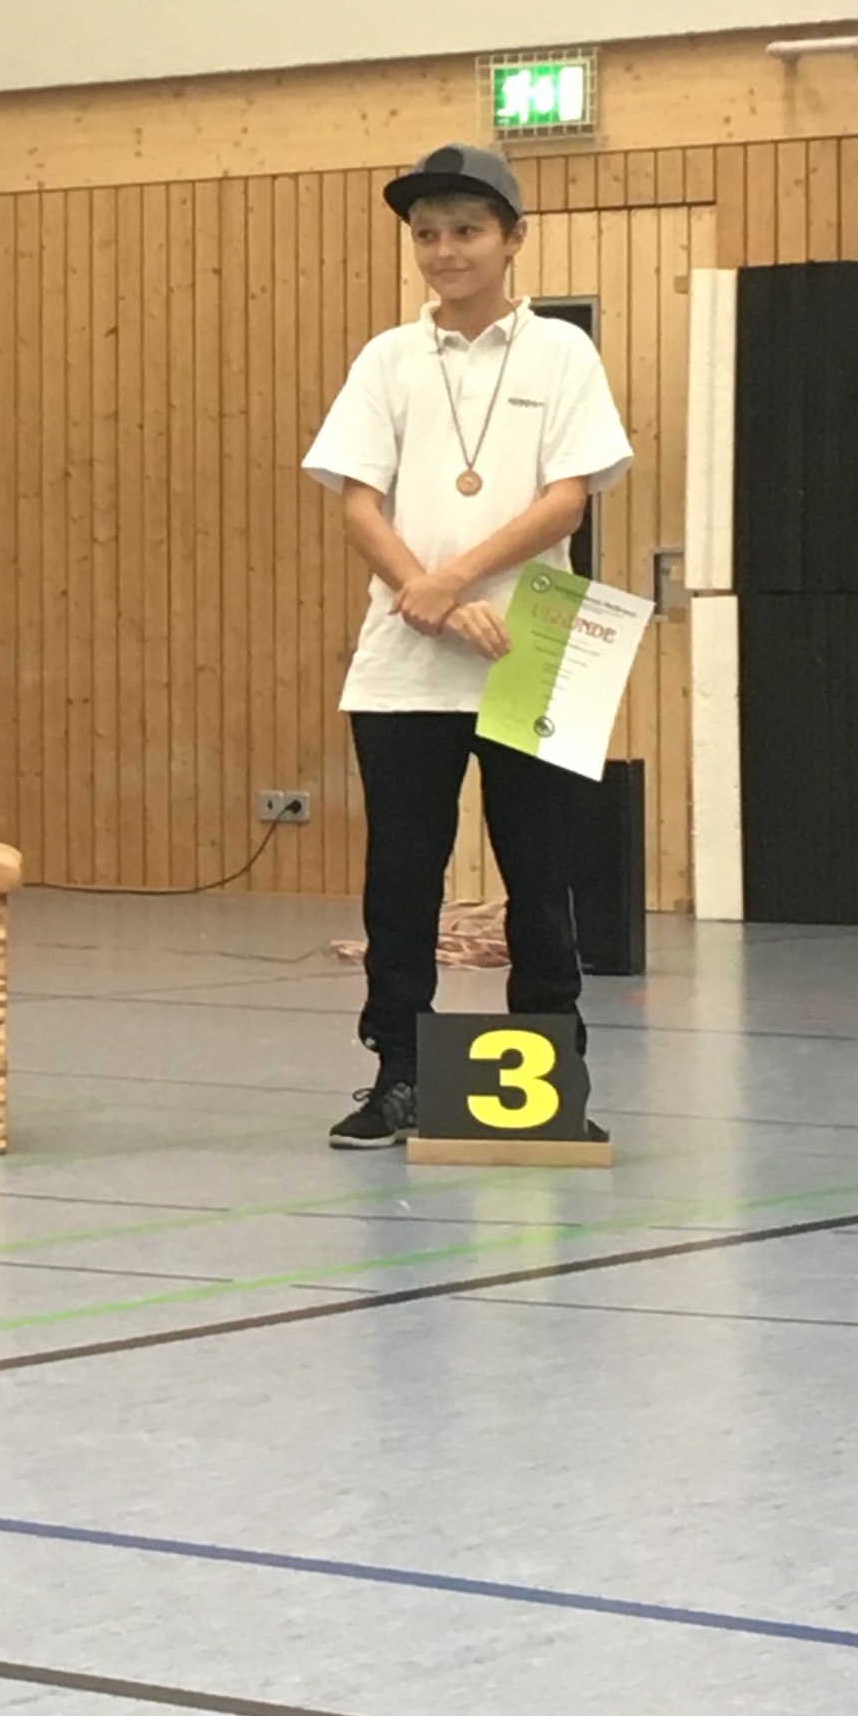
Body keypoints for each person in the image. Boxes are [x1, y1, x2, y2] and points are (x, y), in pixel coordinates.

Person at [302, 141, 631, 1144]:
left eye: (466, 231)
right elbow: (358, 502)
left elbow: (567, 496)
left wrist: (457, 578)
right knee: (403, 875)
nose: (445, 251)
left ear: (513, 238)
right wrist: (432, 598)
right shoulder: (388, 359)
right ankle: (400, 1074)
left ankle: (551, 1079)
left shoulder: (561, 353)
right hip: (405, 656)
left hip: (537, 640)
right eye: (427, 234)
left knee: (541, 874)